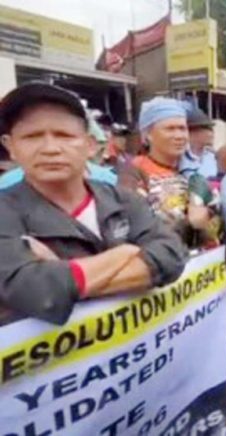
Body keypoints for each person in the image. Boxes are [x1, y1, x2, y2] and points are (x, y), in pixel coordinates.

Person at [0, 83, 187, 325]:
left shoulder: (123, 200)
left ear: (90, 145)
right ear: (10, 147)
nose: (50, 148)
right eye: (32, 137)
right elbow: (34, 291)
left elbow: (171, 255)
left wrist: (65, 275)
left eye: (64, 135)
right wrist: (126, 253)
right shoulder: (5, 212)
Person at [119, 97, 222, 250]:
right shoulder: (134, 173)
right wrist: (189, 223)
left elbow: (214, 227)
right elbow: (136, 232)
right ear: (148, 135)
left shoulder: (190, 172)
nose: (179, 136)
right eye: (170, 129)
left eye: (182, 128)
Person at [179, 106, 219, 180]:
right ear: (192, 132)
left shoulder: (212, 156)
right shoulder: (180, 157)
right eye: (207, 129)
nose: (212, 133)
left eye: (212, 129)